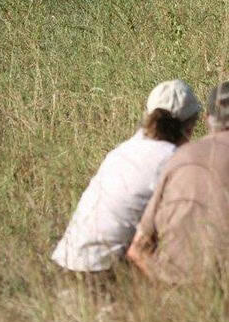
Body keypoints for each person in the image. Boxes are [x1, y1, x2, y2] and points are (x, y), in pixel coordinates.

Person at [126, 81, 229, 284]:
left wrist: (164, 281)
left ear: (207, 120)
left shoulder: (178, 157)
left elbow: (138, 248)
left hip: (175, 288)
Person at [51, 80, 202, 273]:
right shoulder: (173, 160)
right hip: (103, 273)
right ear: (189, 126)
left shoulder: (124, 149)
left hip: (67, 262)